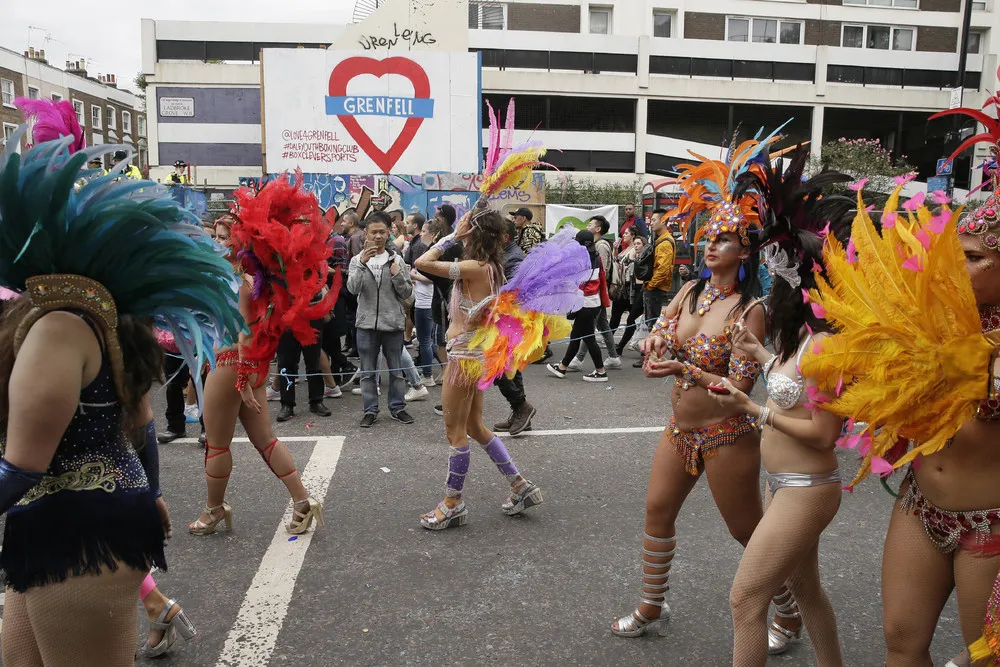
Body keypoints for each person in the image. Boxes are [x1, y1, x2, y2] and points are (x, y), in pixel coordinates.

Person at [0, 107, 241, 665]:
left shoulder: (57, 326)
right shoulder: (99, 319)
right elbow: (142, 425)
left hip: (78, 538)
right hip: (67, 529)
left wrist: (146, 493)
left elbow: (20, 468)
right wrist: (151, 491)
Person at [797, 95, 1000, 665]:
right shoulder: (931, 316)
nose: (953, 265)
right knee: (900, 644)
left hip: (990, 524)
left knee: (983, 657)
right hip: (920, 506)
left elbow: (956, 371)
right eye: (952, 252)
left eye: (975, 258)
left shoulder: (963, 341)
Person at [611, 127, 790, 639]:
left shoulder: (750, 311)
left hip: (727, 436)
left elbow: (738, 390)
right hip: (680, 430)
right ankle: (650, 606)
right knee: (657, 511)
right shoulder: (689, 290)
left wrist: (682, 369)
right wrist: (653, 346)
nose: (711, 246)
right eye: (708, 237)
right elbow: (663, 328)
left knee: (747, 532)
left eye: (723, 239)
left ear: (744, 250)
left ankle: (790, 611)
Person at [707, 147, 853, 665]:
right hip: (783, 485)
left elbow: (823, 434)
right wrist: (762, 357)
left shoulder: (828, 343)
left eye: (776, 262)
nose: (768, 274)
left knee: (746, 598)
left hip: (810, 488)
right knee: (809, 595)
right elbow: (793, 383)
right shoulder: (795, 338)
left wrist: (755, 407)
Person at [189, 175, 330, 537]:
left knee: (217, 445)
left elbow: (244, 333)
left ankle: (213, 510)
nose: (218, 242)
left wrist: (241, 380)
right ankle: (302, 502)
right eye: (217, 236)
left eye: (225, 237)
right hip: (250, 366)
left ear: (242, 242)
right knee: (265, 440)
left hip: (230, 366)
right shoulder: (254, 279)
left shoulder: (242, 282)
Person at [346, 211, 415, 427]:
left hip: (392, 323)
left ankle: (398, 407)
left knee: (396, 371)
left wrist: (397, 275)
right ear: (365, 233)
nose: (377, 236)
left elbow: (407, 294)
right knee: (367, 372)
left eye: (382, 232)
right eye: (373, 232)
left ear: (388, 234)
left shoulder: (397, 260)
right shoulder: (357, 260)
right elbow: (352, 289)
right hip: (366, 325)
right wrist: (362, 264)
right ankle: (370, 410)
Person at [547, 230, 611, 382]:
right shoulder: (596, 257)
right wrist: (604, 301)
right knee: (577, 336)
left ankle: (601, 372)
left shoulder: (580, 259)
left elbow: (574, 283)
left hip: (585, 304)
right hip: (593, 303)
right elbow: (602, 280)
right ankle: (562, 367)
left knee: (588, 339)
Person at [493, 218, 536, 436]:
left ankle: (522, 407)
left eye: (495, 234)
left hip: (512, 322)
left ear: (505, 237)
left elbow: (514, 294)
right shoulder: (504, 254)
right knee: (511, 369)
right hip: (505, 321)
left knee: (499, 369)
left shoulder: (514, 258)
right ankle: (519, 411)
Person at [568, 215, 622, 371]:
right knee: (602, 325)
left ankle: (578, 359)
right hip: (596, 295)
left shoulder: (601, 246)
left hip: (594, 295)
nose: (587, 226)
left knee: (588, 327)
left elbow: (599, 272)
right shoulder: (596, 245)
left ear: (598, 229)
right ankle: (613, 357)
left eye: (590, 224)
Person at [644, 210, 677, 327]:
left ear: (663, 221)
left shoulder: (665, 243)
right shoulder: (661, 240)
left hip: (656, 289)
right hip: (654, 288)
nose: (651, 223)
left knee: (653, 325)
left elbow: (663, 270)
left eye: (654, 220)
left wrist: (650, 285)